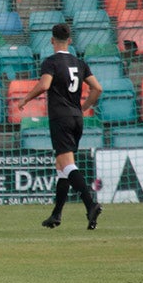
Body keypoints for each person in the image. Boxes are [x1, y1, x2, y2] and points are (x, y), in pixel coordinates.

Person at [18, 23, 104, 230]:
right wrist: (82, 107)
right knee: (61, 168)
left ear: (51, 40)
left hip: (60, 118)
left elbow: (45, 85)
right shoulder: (79, 62)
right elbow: (97, 88)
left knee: (66, 165)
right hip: (76, 118)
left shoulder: (51, 62)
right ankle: (56, 215)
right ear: (70, 40)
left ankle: (90, 203)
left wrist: (26, 99)